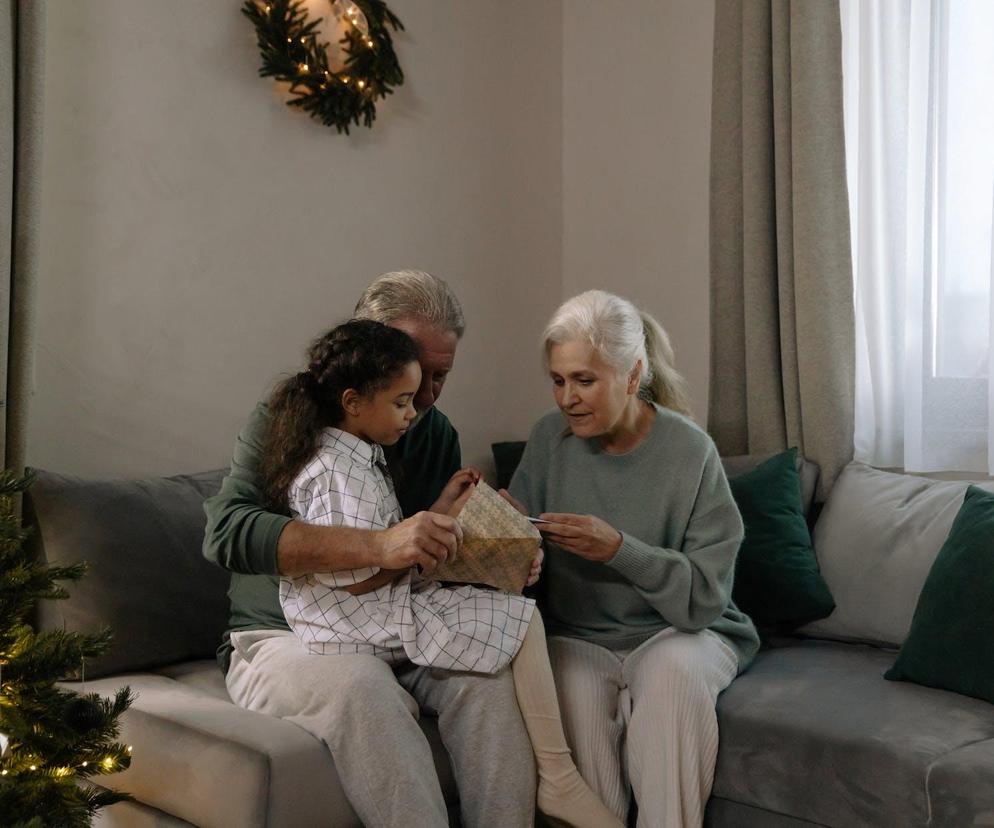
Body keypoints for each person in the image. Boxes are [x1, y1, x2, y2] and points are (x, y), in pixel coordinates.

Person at [203, 271, 534, 828]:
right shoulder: (285, 419)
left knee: (489, 682)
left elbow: (435, 560)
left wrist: (503, 548)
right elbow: (228, 533)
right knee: (363, 688)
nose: (427, 395)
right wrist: (381, 544)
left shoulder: (431, 432)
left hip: (394, 626)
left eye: (441, 376)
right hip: (286, 637)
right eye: (415, 375)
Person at [260, 318, 621, 828]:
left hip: (361, 610)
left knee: (505, 625)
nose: (414, 413)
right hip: (353, 621)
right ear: (353, 401)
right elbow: (355, 576)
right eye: (402, 402)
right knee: (518, 617)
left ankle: (554, 779)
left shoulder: (354, 458)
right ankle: (558, 775)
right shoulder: (340, 472)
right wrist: (429, 554)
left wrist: (444, 511)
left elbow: (383, 544)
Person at [506, 290, 760, 828]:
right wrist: (502, 526)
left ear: (632, 372)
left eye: (584, 380)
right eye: (558, 380)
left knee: (672, 678)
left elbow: (703, 599)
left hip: (680, 633)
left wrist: (621, 550)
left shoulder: (690, 451)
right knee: (569, 696)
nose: (568, 398)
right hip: (577, 635)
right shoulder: (548, 440)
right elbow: (523, 565)